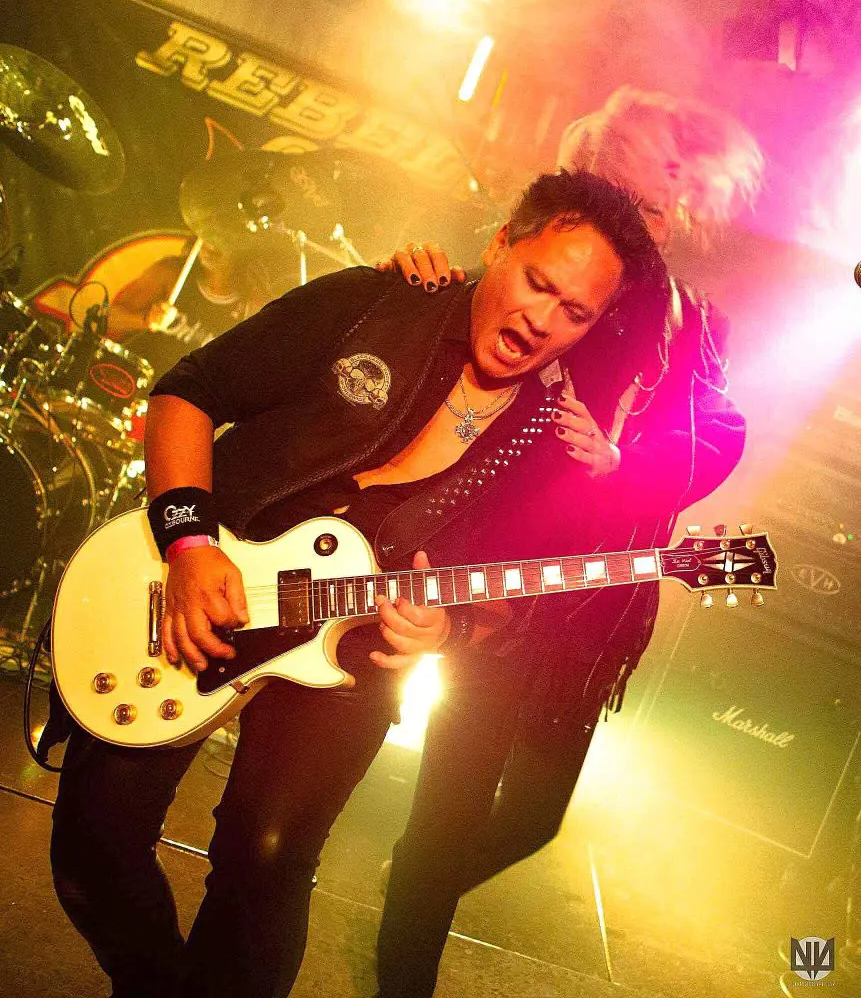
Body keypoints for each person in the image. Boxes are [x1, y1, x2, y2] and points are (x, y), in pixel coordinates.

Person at [49, 169, 666, 998]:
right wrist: (190, 546)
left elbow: (509, 606)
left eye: (575, 313)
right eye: (536, 281)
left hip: (349, 650)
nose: (540, 319)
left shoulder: (553, 444)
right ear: (498, 245)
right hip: (209, 584)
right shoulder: (376, 303)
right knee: (94, 847)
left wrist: (449, 631)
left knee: (267, 859)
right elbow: (188, 392)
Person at [373, 85, 761, 997]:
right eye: (649, 176)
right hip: (496, 577)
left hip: (595, 603)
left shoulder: (694, 317)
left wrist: (623, 464)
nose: (672, 194)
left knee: (533, 819)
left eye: (679, 181)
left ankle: (413, 889)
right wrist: (413, 276)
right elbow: (465, 314)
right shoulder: (564, 271)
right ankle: (406, 963)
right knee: (450, 808)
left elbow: (721, 431)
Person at [109, 238, 296, 378]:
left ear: (244, 249)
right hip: (128, 388)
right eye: (208, 234)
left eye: (222, 238)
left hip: (185, 410)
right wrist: (145, 320)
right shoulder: (171, 273)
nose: (211, 244)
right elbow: (108, 318)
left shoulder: (253, 306)